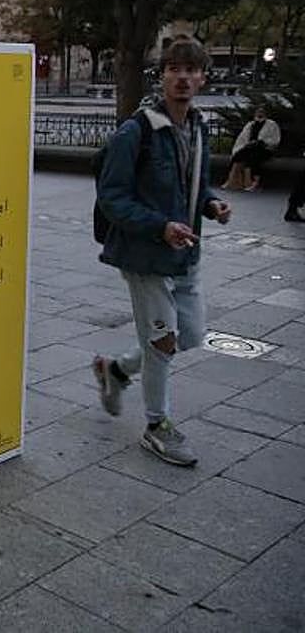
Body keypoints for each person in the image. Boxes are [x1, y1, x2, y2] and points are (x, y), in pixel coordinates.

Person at [93, 35, 232, 468]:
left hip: (185, 250)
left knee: (188, 335)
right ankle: (157, 426)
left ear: (203, 78)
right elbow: (112, 196)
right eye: (175, 69)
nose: (183, 78)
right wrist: (160, 226)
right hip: (145, 254)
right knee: (163, 340)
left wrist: (210, 202)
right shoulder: (137, 131)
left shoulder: (197, 127)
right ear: (163, 75)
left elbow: (194, 181)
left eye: (191, 71)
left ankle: (115, 370)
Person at [221, 106, 280, 191]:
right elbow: (242, 137)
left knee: (254, 157)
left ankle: (254, 182)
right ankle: (232, 180)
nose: (260, 114)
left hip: (264, 148)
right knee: (237, 156)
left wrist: (261, 142)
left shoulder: (272, 124)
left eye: (261, 112)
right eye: (258, 112)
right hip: (250, 147)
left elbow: (275, 139)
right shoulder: (250, 124)